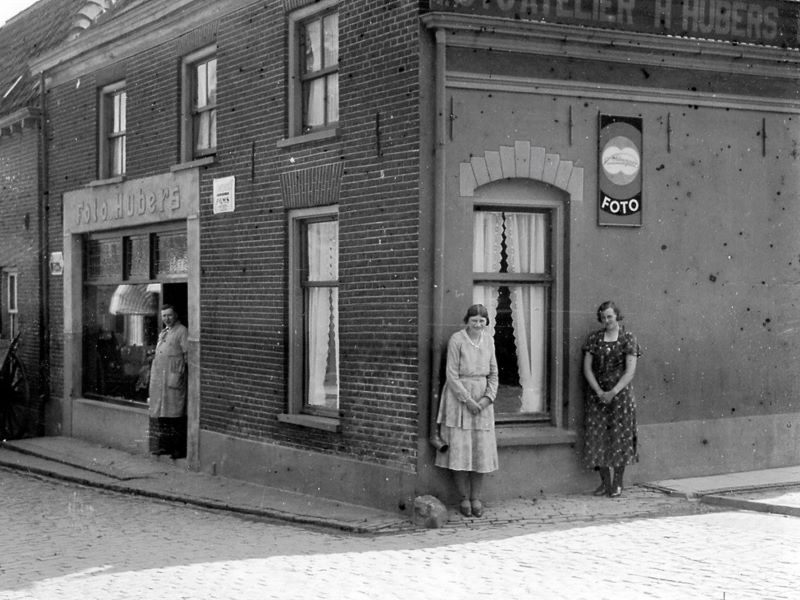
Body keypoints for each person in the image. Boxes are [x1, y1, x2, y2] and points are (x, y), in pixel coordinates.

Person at [435, 303, 499, 517]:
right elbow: (451, 375)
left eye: (482, 321)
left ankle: (476, 498)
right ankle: (463, 498)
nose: (478, 325)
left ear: (486, 322)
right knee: (460, 452)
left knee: (481, 452)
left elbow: (494, 373)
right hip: (459, 400)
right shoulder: (457, 340)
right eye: (474, 321)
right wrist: (468, 400)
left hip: (482, 402)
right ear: (467, 321)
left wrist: (487, 399)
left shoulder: (489, 340)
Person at [582, 300, 642, 497]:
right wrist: (599, 392)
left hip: (620, 396)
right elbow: (587, 368)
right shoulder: (594, 338)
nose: (606, 320)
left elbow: (630, 371)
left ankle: (617, 482)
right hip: (597, 397)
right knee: (597, 437)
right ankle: (605, 482)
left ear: (617, 316)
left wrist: (613, 392)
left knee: (619, 438)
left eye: (610, 316)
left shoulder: (628, 338)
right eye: (603, 317)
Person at [148, 304, 189, 458]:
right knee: (162, 413)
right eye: (164, 316)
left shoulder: (182, 331)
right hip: (161, 379)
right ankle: (165, 447)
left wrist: (180, 374)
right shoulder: (164, 332)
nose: (167, 318)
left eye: (169, 315)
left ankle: (178, 449)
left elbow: (187, 355)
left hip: (173, 378)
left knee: (175, 414)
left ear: (175, 315)